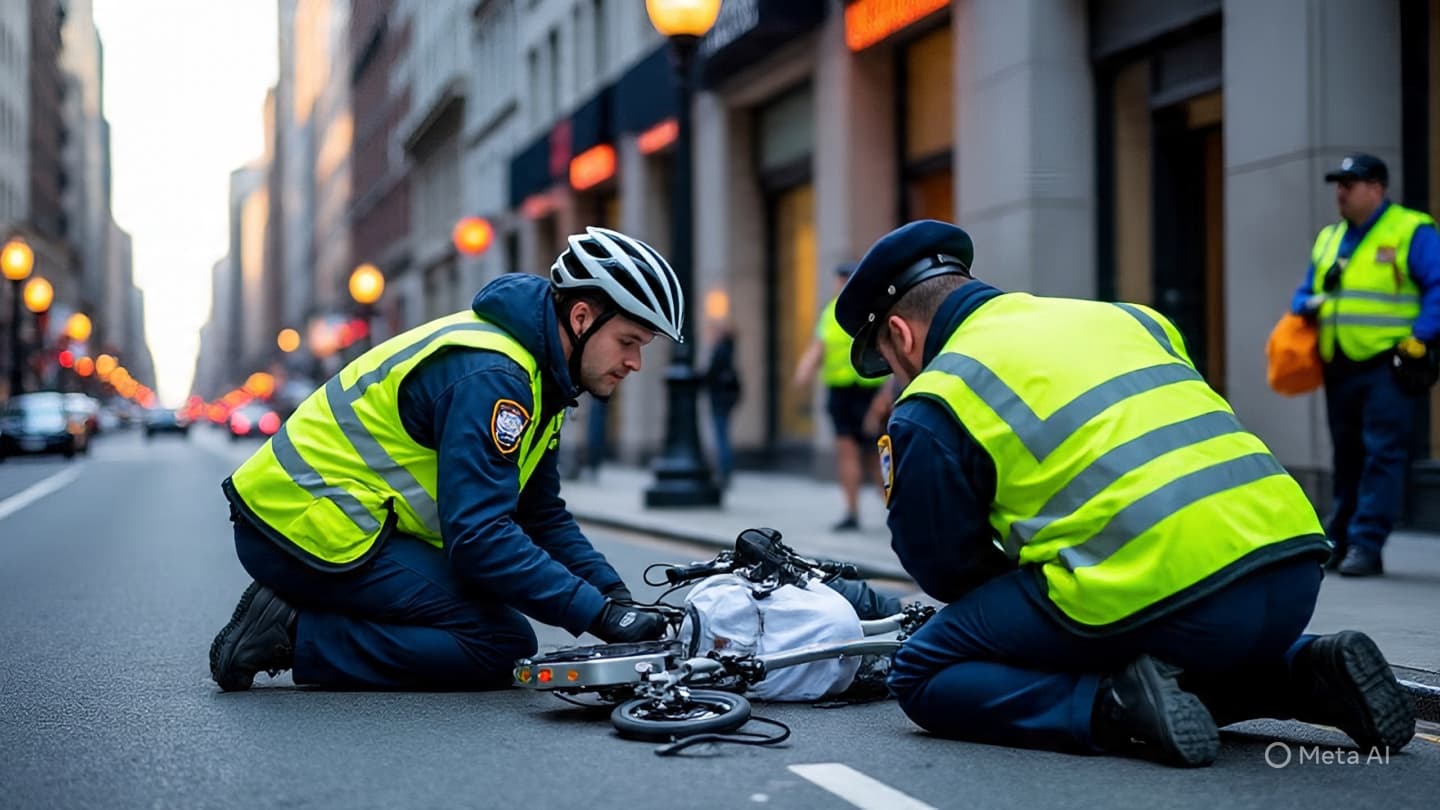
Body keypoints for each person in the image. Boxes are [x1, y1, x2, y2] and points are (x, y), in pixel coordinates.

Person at [835, 219, 1415, 766]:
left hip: (1172, 594)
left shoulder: (937, 395)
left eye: (887, 362)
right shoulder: (1129, 318)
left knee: (922, 671)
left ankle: (1115, 709)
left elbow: (946, 572)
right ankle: (1306, 673)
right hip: (1294, 565)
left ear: (899, 334)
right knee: (1125, 621)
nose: (896, 375)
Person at [208, 226, 684, 691]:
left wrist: (614, 597)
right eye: (629, 342)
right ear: (581, 318)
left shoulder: (541, 380)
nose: (635, 363)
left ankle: (306, 612)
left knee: (495, 620)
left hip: (335, 525)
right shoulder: (495, 377)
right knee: (498, 641)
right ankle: (290, 632)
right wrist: (597, 615)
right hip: (296, 528)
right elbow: (479, 538)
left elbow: (542, 516)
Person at [1290, 153, 1440, 577]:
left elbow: (1438, 286)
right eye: (1338, 183)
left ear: (1377, 188)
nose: (1341, 192)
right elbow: (1301, 297)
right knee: (1348, 455)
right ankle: (1339, 537)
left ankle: (1367, 544)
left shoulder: (1411, 229)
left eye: (1350, 183)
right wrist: (1313, 302)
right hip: (1340, 365)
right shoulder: (1328, 239)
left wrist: (1420, 339)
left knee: (1382, 454)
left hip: (1388, 365)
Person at [793, 263, 888, 531]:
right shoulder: (831, 313)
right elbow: (818, 346)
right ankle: (852, 512)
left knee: (876, 453)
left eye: (845, 280)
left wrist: (885, 395)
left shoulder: (870, 310)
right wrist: (804, 372)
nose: (840, 285)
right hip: (841, 392)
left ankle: (892, 510)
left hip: (870, 390)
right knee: (847, 451)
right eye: (839, 280)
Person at [704, 320, 742, 489]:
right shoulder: (729, 349)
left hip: (719, 399)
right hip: (725, 399)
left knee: (721, 435)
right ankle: (724, 470)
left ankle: (724, 471)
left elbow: (712, 374)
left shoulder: (721, 350)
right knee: (722, 434)